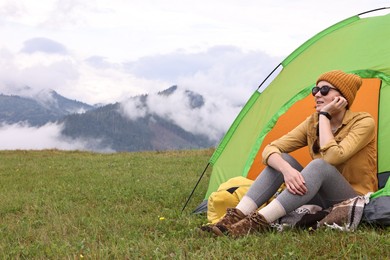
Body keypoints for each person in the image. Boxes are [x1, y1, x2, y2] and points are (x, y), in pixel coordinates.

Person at [209, 70, 378, 237]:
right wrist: (287, 170)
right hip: (318, 196)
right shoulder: (312, 122)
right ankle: (234, 217)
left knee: (319, 166)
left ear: (342, 97)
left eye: (324, 90)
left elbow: (332, 158)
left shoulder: (363, 122)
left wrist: (325, 116)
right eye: (315, 90)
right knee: (281, 159)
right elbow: (270, 149)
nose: (317, 94)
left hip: (351, 197)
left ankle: (256, 223)